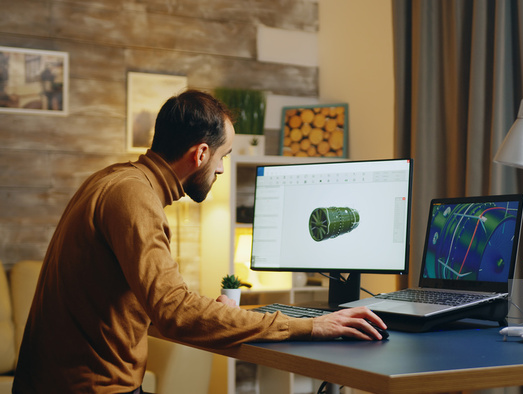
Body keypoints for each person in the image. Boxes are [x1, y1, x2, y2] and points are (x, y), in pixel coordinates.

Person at [12, 89, 386, 393]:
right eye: (223, 156)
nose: (222, 169)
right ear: (201, 153)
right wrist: (310, 325)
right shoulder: (134, 198)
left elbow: (156, 304)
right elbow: (174, 313)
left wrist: (220, 314)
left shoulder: (113, 180)